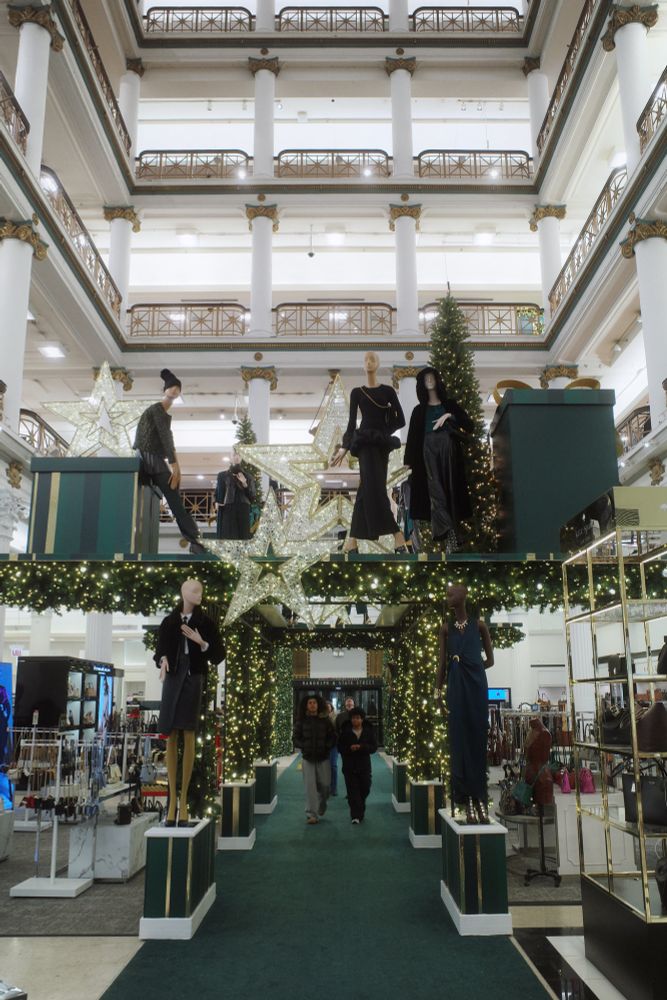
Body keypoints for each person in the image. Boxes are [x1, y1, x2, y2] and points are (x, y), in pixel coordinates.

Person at [155, 578, 224, 826]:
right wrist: (162, 658)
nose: (199, 595)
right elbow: (160, 648)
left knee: (189, 731)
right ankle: (172, 801)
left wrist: (201, 642)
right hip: (173, 676)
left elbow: (218, 654)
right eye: (195, 591)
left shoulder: (206, 623)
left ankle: (183, 801)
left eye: (201, 591)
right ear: (183, 592)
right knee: (171, 733)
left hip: (194, 677)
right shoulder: (169, 622)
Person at [332, 351, 409, 552]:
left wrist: (382, 433)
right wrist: (344, 446)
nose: (368, 362)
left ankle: (353, 540)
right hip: (365, 445)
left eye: (372, 359)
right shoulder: (357, 392)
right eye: (365, 359)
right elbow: (351, 424)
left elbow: (400, 419)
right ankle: (396, 535)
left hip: (380, 444)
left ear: (378, 363)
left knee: (369, 488)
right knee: (371, 486)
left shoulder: (388, 391)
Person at [435, 583, 494, 825]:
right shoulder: (446, 629)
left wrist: (473, 668)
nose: (447, 596)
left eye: (451, 593)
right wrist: (437, 691)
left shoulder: (479, 625)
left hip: (476, 687)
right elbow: (441, 663)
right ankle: (466, 800)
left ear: (464, 595)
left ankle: (480, 799)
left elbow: (490, 660)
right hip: (456, 688)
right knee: (459, 742)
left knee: (477, 740)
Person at [134, 369, 206, 554]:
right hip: (149, 458)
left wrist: (177, 466)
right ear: (165, 390)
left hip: (151, 458)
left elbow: (169, 438)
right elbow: (165, 437)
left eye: (177, 388)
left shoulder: (163, 413)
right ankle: (195, 540)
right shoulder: (157, 409)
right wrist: (174, 466)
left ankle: (194, 540)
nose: (174, 390)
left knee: (172, 498)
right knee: (173, 499)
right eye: (171, 387)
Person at [404, 367, 473, 553]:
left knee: (451, 489)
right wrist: (408, 463)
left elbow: (469, 425)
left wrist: (449, 416)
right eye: (425, 379)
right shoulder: (419, 411)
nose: (429, 381)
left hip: (449, 449)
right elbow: (412, 438)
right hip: (427, 451)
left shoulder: (449, 404)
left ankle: (453, 535)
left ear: (437, 379)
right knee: (436, 492)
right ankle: (448, 535)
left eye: (431, 377)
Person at [293, 694, 336, 825]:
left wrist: (327, 747)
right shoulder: (301, 721)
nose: (312, 705)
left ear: (318, 705)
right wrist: (304, 746)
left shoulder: (326, 720)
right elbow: (295, 738)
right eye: (310, 703)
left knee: (325, 786)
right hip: (308, 758)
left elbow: (333, 736)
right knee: (310, 787)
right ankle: (312, 814)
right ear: (306, 705)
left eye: (315, 703)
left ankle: (322, 804)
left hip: (323, 757)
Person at [338, 707, 377, 824]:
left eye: (358, 718)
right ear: (350, 719)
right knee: (352, 792)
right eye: (353, 718)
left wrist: (362, 747)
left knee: (365, 788)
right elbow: (340, 748)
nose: (356, 720)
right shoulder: (345, 732)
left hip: (364, 766)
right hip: (349, 767)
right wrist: (349, 749)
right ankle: (355, 815)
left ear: (362, 719)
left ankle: (360, 807)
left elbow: (374, 747)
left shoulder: (368, 732)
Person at [215, 449, 256, 539]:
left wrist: (245, 483)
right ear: (230, 457)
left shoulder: (248, 476)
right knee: (228, 534)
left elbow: (252, 497)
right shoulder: (222, 475)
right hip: (228, 507)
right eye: (234, 455)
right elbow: (218, 493)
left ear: (241, 457)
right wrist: (217, 502)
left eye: (239, 455)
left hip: (243, 507)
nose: (236, 457)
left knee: (243, 534)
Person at [326, 700, 339, 795]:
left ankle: (333, 788)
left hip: (334, 745)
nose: (327, 708)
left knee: (333, 765)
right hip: (323, 745)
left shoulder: (336, 717)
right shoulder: (320, 717)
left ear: (331, 707)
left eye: (328, 706)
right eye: (325, 706)